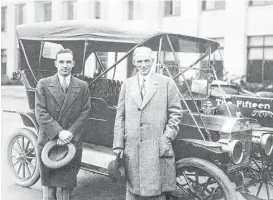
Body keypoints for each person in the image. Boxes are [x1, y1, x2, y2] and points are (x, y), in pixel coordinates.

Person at [113, 46, 183, 200]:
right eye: (139, 61)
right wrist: (118, 144)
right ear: (134, 62)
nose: (143, 65)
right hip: (132, 148)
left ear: (153, 61)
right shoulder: (127, 84)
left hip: (156, 148)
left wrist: (166, 138)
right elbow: (120, 115)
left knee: (156, 193)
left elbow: (176, 113)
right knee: (133, 191)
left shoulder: (166, 83)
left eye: (146, 61)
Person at [35, 48, 91, 200]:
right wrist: (59, 132)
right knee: (49, 190)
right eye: (61, 62)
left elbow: (85, 112)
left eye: (68, 62)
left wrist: (69, 133)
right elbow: (41, 112)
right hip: (49, 141)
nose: (64, 65)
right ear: (56, 64)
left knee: (66, 188)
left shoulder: (82, 86)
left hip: (71, 142)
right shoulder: (43, 84)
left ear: (73, 64)